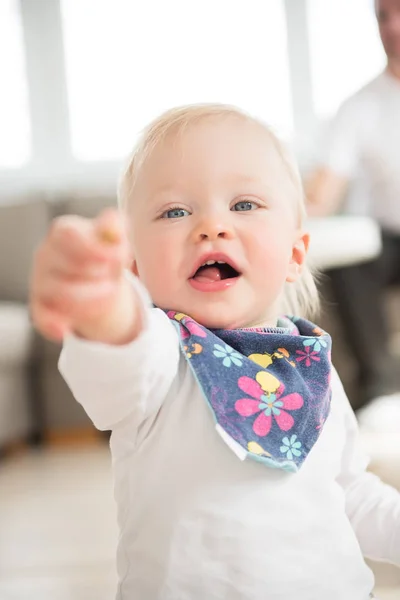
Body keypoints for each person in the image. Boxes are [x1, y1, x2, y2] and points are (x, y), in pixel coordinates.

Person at [30, 104, 400, 600]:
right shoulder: (161, 358)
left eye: (244, 204)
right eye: (175, 212)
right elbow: (119, 355)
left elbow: (349, 491)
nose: (211, 226)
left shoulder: (310, 365)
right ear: (136, 269)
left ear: (295, 255)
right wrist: (104, 306)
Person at [306, 0, 400, 427]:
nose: (392, 27)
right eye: (383, 16)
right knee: (349, 262)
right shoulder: (359, 106)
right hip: (386, 239)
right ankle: (378, 389)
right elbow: (325, 187)